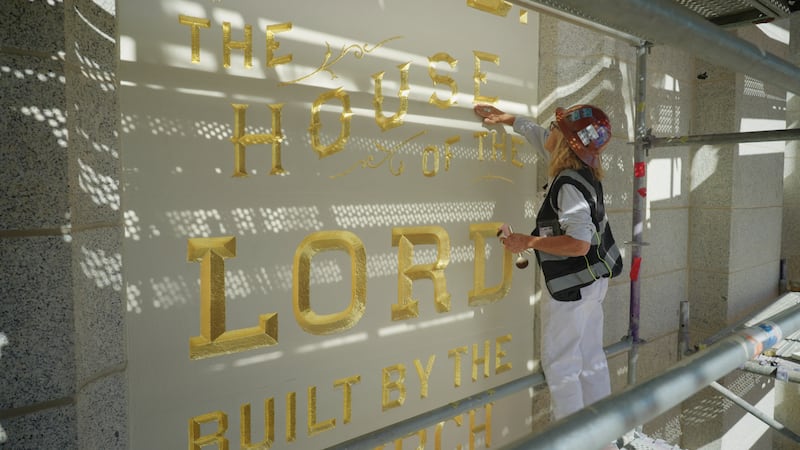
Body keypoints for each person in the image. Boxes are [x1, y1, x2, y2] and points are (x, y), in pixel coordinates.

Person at [475, 103, 623, 421]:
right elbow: (540, 136)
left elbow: (579, 243)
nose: (549, 130)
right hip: (592, 282)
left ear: (567, 142)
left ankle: (574, 440)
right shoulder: (578, 170)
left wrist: (527, 242)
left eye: (556, 128)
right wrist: (510, 119)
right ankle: (603, 437)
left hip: (572, 288)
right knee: (589, 356)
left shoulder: (567, 185)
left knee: (561, 363)